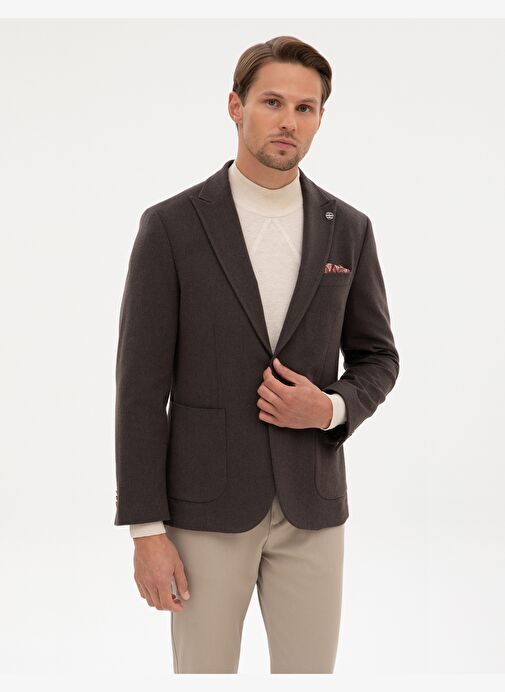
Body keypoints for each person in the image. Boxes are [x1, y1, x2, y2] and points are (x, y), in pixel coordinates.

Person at [114, 35, 400, 674]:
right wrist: (146, 530)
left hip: (312, 508)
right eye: (272, 102)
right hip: (205, 510)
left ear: (320, 118)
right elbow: (139, 390)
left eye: (305, 107)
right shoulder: (171, 227)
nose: (288, 120)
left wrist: (329, 408)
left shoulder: (349, 229)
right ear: (235, 106)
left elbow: (378, 357)